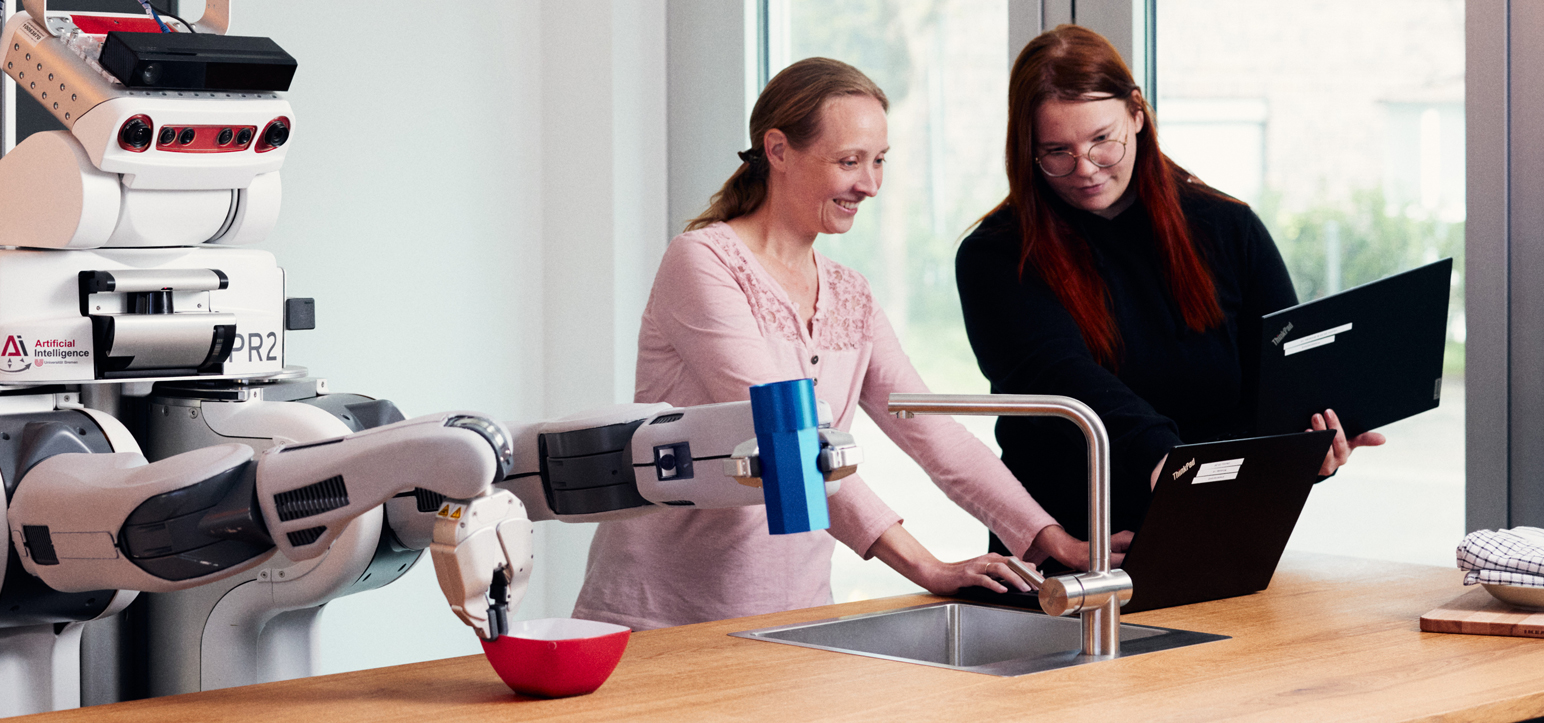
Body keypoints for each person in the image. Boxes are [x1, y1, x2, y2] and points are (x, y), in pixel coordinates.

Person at [571, 57, 1095, 631]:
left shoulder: (850, 294)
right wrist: (927, 567)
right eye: (849, 161)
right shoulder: (703, 262)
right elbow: (787, 439)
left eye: (878, 162)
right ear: (777, 150)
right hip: (666, 608)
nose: (868, 184)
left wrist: (1053, 540)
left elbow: (933, 432)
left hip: (795, 610)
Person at [954, 25, 1384, 560]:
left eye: (1101, 141)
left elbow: (1280, 383)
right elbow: (1059, 376)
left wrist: (1310, 447)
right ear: (1027, 149)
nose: (1084, 168)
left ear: (1137, 112)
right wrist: (1163, 455)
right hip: (1073, 552)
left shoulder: (1227, 227)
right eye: (1057, 152)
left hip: (1219, 540)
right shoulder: (997, 254)